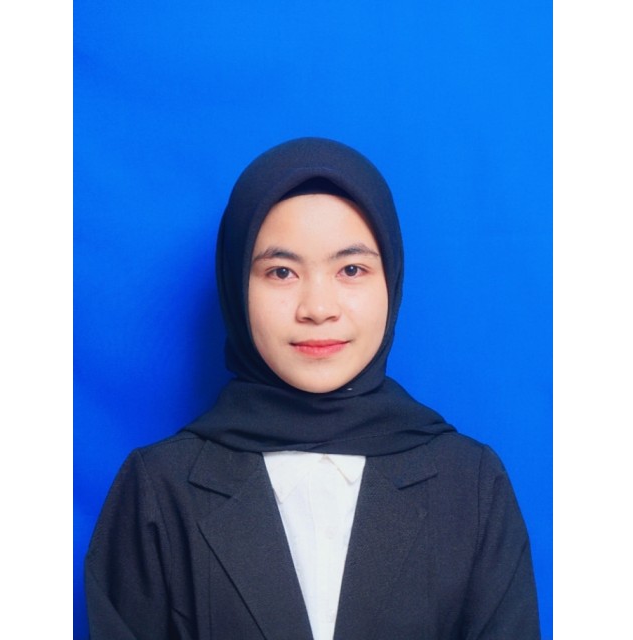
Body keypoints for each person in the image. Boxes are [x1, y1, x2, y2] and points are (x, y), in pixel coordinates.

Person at [84, 137, 540, 639]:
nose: (318, 308)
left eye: (351, 269)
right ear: (236, 285)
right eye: (281, 272)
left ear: (391, 280)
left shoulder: (471, 485)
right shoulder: (158, 490)